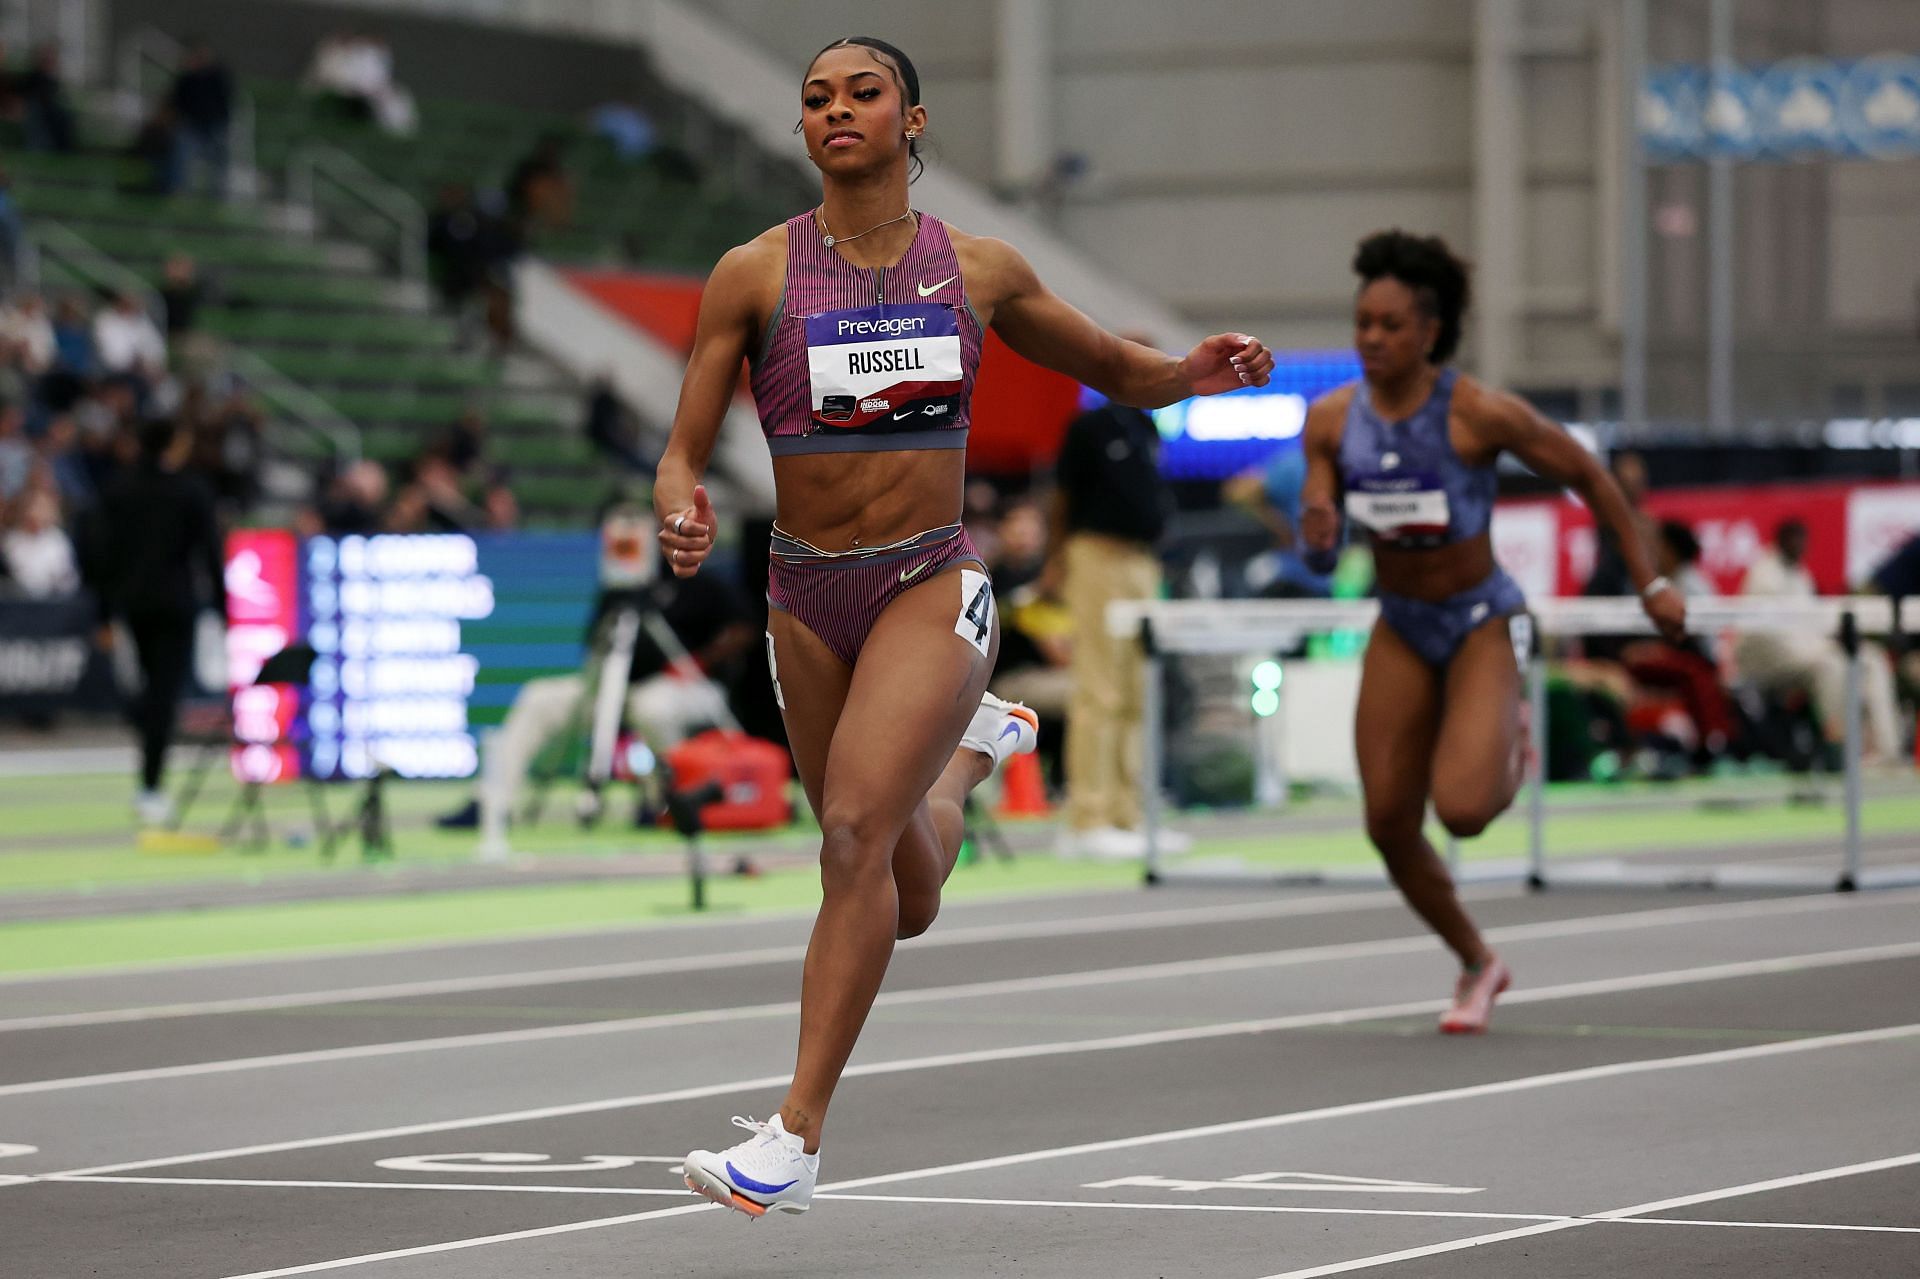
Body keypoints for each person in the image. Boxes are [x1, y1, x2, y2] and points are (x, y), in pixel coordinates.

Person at [657, 35, 1272, 1218]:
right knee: (909, 885)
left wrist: (1192, 370)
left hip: (930, 583)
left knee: (846, 837)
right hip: (804, 596)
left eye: (863, 93)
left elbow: (1117, 368)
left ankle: (793, 1136)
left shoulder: (978, 270)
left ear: (914, 121)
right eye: (816, 98)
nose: (837, 110)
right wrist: (679, 507)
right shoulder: (752, 272)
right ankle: (979, 748)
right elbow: (681, 454)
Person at [1300, 229, 1684, 1034]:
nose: (1371, 339)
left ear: (1431, 331)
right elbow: (1321, 523)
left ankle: (1509, 731)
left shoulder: (1477, 413)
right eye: (1362, 322)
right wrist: (1320, 525)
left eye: (1390, 325)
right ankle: (1479, 960)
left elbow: (1588, 474)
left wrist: (1649, 579)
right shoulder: (1334, 420)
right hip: (1402, 622)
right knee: (1387, 823)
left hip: (1480, 615)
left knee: (1466, 809)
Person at [1046, 361, 1188, 860]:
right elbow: (1061, 497)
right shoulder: (1089, 427)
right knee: (1100, 688)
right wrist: (1055, 560)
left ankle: (1130, 816)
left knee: (1137, 690)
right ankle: (1089, 817)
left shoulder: (1146, 426)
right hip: (1097, 556)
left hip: (1142, 561)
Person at [84, 418, 226, 825]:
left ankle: (149, 774)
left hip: (134, 604)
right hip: (175, 605)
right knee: (162, 695)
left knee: (150, 691)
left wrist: (105, 611)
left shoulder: (119, 487)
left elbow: (99, 553)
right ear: (175, 443)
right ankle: (151, 785)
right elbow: (210, 552)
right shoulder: (190, 489)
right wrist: (223, 607)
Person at [1736, 519, 1900, 766]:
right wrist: (1822, 648)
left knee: (1870, 658)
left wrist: (1826, 643)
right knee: (1830, 666)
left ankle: (1887, 750)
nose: (1800, 545)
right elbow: (1770, 637)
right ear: (1780, 541)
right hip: (1767, 662)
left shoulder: (1801, 574)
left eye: (1803, 540)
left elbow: (1812, 626)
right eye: (1794, 539)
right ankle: (1843, 749)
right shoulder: (1763, 576)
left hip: (1806, 653)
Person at [168, 39, 233, 199]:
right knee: (181, 155)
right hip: (192, 126)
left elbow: (227, 100)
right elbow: (177, 101)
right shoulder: (186, 79)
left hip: (215, 125)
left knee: (219, 161)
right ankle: (180, 192)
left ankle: (218, 196)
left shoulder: (219, 76)